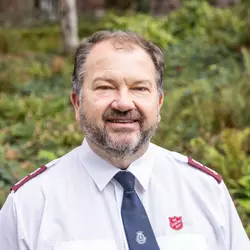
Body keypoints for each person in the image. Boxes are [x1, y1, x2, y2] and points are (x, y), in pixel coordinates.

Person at [0, 30, 249, 250]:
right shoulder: (28, 206)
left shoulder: (206, 192)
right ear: (77, 103)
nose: (123, 103)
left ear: (159, 102)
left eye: (140, 88)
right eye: (105, 87)